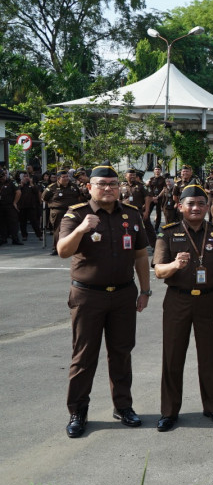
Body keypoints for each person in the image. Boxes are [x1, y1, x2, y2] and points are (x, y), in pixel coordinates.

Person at [57, 162, 152, 438]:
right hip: (88, 295)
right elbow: (63, 251)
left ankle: (123, 407)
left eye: (113, 184)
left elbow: (140, 255)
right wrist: (81, 230)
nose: (109, 189)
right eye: (102, 184)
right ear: (90, 187)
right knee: (84, 356)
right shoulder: (77, 215)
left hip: (123, 295)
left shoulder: (132, 215)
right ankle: (78, 411)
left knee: (121, 353)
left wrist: (145, 290)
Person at [153, 185, 213, 432]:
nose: (196, 208)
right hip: (178, 299)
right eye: (191, 204)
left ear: (207, 206)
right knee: (172, 357)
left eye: (201, 203)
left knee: (209, 357)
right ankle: (169, 412)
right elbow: (158, 271)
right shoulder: (168, 232)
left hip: (210, 301)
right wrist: (175, 266)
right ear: (180, 206)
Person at [16, 173, 42, 241]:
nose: (26, 178)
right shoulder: (19, 185)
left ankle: (39, 235)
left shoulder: (32, 185)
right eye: (24, 176)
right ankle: (24, 236)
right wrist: (21, 185)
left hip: (31, 206)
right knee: (22, 222)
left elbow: (37, 191)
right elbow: (16, 192)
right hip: (22, 207)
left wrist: (31, 183)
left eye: (27, 176)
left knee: (34, 222)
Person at [0, 169, 23, 245]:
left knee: (13, 223)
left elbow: (18, 192)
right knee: (2, 223)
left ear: (5, 175)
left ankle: (15, 239)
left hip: (10, 205)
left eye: (2, 177)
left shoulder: (12, 182)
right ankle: (3, 238)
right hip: (1, 205)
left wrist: (15, 202)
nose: (1, 179)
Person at [146, 166, 167, 232]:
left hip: (159, 198)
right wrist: (152, 197)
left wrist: (158, 197)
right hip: (152, 198)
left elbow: (164, 189)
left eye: (158, 169)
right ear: (153, 171)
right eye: (156, 169)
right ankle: (148, 227)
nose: (157, 170)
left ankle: (156, 228)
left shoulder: (163, 179)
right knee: (148, 212)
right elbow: (148, 188)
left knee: (159, 214)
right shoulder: (151, 179)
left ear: (160, 171)